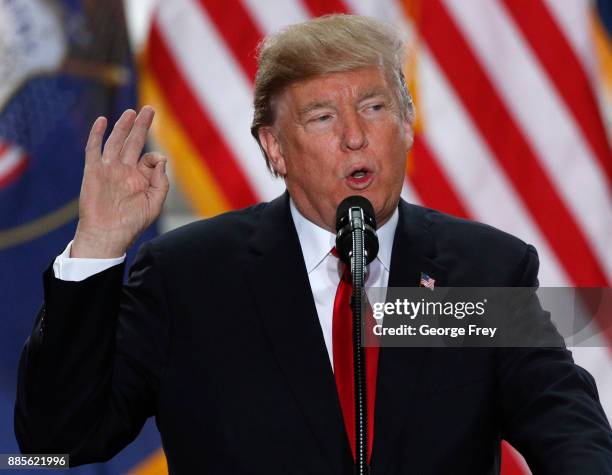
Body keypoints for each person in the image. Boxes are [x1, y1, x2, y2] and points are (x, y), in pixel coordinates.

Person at [15, 14, 612, 475]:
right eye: (323, 118)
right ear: (273, 147)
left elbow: (566, 426)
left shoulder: (483, 272)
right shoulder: (190, 277)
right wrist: (95, 248)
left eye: (375, 107)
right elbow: (59, 441)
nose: (356, 137)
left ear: (405, 127)